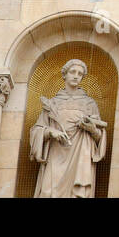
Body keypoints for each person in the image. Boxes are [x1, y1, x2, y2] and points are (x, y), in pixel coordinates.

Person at [28, 58, 107, 198]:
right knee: (48, 192)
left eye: (80, 73)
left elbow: (100, 137)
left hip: (81, 152)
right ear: (65, 74)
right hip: (56, 152)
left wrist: (91, 128)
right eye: (73, 72)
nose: (76, 76)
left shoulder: (89, 103)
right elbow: (36, 131)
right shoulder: (52, 104)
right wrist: (51, 132)